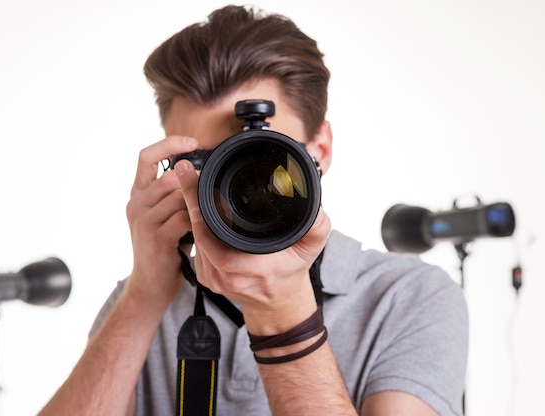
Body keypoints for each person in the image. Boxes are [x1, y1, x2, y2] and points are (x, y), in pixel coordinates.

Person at [39, 5, 468, 416]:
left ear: (320, 150)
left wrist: (282, 311)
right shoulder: (143, 299)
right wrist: (145, 292)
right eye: (206, 164)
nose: (240, 185)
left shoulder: (406, 296)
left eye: (260, 157)